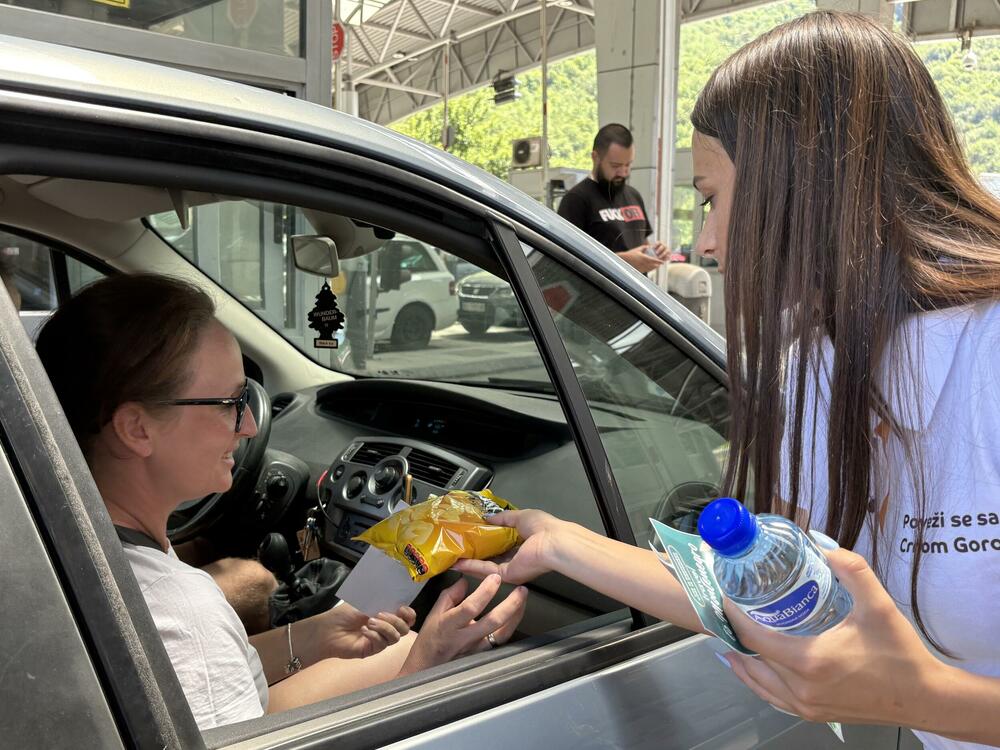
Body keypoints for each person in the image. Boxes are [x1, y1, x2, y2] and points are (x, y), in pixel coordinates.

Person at [457, 12, 1000, 750]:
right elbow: (763, 589)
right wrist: (559, 543)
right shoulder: (817, 365)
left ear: (806, 184)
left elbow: (912, 687)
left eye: (710, 196)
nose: (706, 241)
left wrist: (922, 696)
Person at [36, 273, 527, 731]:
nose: (249, 425)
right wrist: (429, 667)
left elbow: (212, 683)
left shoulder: (70, 539)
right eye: (230, 404)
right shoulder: (180, 610)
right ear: (136, 428)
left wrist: (312, 636)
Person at [557, 123, 670, 274]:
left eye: (628, 165)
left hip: (633, 294)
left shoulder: (634, 195)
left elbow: (642, 243)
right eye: (615, 166)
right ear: (595, 157)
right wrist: (623, 262)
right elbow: (565, 260)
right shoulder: (576, 200)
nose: (623, 172)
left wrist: (654, 252)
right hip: (600, 295)